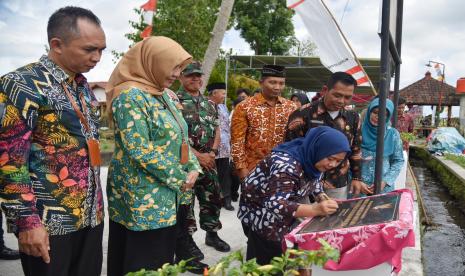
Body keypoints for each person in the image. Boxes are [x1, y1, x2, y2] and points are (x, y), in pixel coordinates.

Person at [0, 7, 106, 276]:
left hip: (90, 216)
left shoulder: (81, 85)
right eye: (89, 49)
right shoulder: (21, 84)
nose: (97, 58)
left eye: (101, 50)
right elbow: (9, 162)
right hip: (48, 223)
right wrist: (26, 223)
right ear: (57, 45)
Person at [105, 36, 202, 275]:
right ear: (154, 61)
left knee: (161, 259)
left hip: (169, 195)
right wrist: (180, 177)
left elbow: (181, 135)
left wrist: (193, 166)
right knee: (142, 262)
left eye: (181, 68)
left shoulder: (165, 94)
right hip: (142, 197)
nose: (178, 74)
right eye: (174, 66)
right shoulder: (129, 96)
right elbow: (139, 148)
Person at [239, 126, 351, 265]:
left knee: (283, 256)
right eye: (330, 158)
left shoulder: (312, 156)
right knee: (267, 262)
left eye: (338, 161)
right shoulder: (286, 166)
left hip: (281, 211)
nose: (333, 164)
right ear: (319, 149)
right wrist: (315, 209)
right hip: (263, 214)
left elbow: (313, 179)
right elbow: (276, 204)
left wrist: (320, 195)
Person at [285, 72, 369, 199]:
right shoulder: (302, 114)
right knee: (305, 218)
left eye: (347, 97)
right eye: (337, 95)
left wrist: (357, 177)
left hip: (337, 183)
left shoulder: (353, 117)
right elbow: (289, 150)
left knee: (335, 218)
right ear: (325, 90)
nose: (341, 101)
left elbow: (355, 149)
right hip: (304, 182)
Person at [177, 62, 231, 255]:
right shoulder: (174, 101)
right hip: (186, 163)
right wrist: (198, 156)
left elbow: (217, 129)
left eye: (198, 75)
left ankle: (212, 234)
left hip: (209, 160)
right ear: (181, 77)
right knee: (187, 202)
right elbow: (175, 134)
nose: (195, 79)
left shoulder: (210, 104)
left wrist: (213, 153)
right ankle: (188, 240)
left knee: (212, 198)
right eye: (190, 75)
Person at [231, 65, 297, 180]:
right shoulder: (244, 107)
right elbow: (237, 141)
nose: (277, 87)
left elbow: (295, 140)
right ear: (261, 82)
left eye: (281, 83)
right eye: (272, 82)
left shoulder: (291, 107)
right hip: (252, 170)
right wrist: (241, 168)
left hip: (282, 169)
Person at [361, 98, 404, 194]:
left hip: (384, 188)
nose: (378, 117)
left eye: (383, 114)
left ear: (388, 116)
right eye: (375, 112)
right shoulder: (358, 131)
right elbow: (347, 159)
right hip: (359, 187)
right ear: (369, 112)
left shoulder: (392, 134)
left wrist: (385, 181)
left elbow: (398, 160)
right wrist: (356, 180)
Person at [207, 83, 234, 211]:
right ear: (214, 93)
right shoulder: (204, 105)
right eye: (222, 93)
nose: (224, 96)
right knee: (212, 175)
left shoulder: (223, 107)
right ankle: (215, 199)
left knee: (225, 174)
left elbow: (227, 126)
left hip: (224, 148)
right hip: (210, 147)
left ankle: (226, 199)